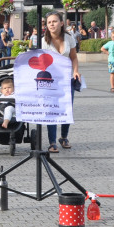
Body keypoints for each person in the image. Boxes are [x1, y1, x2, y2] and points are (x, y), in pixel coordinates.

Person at [42, 11, 81, 152]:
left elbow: (74, 57)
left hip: (67, 79)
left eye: (54, 21)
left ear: (61, 23)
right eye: (49, 22)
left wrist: (76, 71)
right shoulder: (44, 41)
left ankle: (63, 137)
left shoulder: (69, 38)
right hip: (51, 81)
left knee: (67, 109)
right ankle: (52, 142)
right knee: (51, 110)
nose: (52, 24)